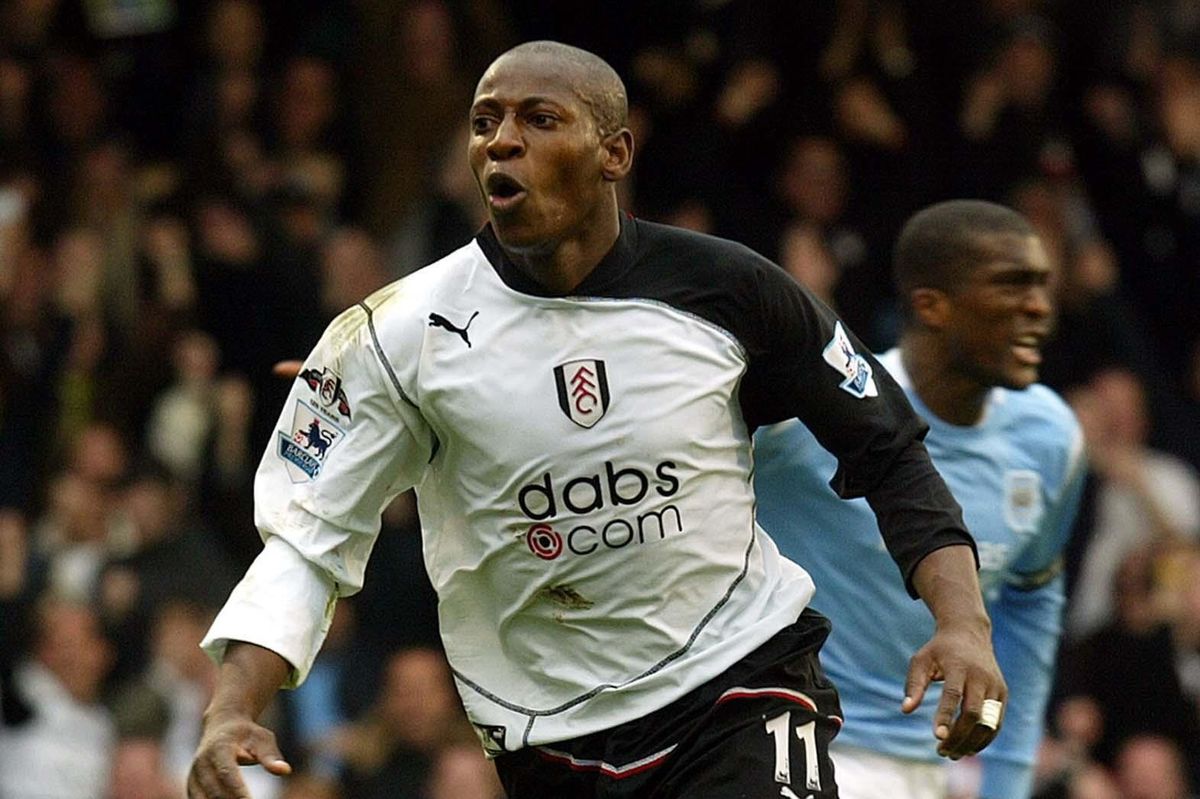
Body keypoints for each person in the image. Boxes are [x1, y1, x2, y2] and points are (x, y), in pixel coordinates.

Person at [187, 41, 1006, 799]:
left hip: (738, 675)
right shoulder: (394, 338)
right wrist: (233, 703)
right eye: (485, 123)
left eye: (540, 120)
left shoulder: (732, 291)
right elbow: (306, 540)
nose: (501, 142)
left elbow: (888, 449)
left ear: (614, 153)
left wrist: (963, 621)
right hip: (548, 731)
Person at [754, 200, 1086, 799]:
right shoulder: (815, 412)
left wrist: (1005, 783)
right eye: (1011, 286)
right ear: (932, 305)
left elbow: (1030, 604)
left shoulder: (1050, 439)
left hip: (928, 766)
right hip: (790, 742)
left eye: (1042, 285)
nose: (1039, 308)